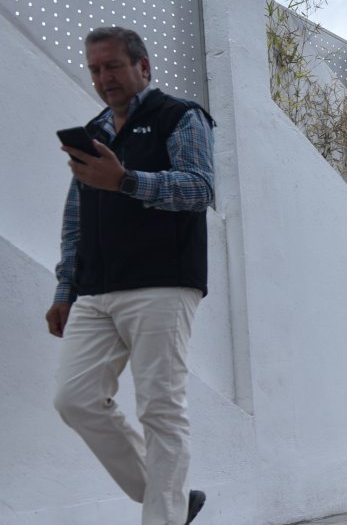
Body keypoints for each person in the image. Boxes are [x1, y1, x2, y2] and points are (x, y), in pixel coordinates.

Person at [47, 27, 215, 525]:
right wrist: (64, 290)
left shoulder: (180, 116)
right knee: (75, 400)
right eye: (96, 69)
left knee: (160, 410)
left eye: (113, 67)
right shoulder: (93, 132)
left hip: (162, 282)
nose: (104, 78)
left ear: (143, 66)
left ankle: (163, 516)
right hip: (96, 289)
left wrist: (124, 180)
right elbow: (76, 216)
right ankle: (174, 502)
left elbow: (199, 189)